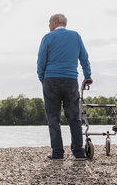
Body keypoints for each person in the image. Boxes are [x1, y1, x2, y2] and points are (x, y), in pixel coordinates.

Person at [37, 13, 93, 160]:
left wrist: (42, 79)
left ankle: (57, 152)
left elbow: (41, 61)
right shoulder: (76, 36)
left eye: (49, 22)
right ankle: (78, 152)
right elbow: (84, 58)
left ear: (56, 22)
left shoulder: (47, 38)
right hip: (70, 81)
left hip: (51, 80)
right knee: (74, 118)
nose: (48, 25)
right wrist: (87, 76)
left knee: (53, 118)